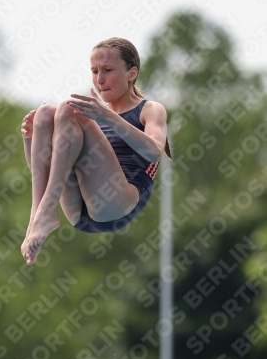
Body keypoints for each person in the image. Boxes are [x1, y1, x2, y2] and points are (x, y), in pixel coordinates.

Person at [20, 37, 171, 265]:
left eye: (108, 70)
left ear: (131, 73)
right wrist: (31, 139)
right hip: (79, 213)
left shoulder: (149, 110)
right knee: (44, 113)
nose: (100, 80)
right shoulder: (93, 113)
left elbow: (154, 152)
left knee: (68, 109)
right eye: (94, 71)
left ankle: (46, 211)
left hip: (117, 204)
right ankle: (38, 215)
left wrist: (107, 117)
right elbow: (47, 170)